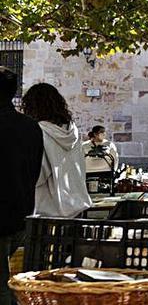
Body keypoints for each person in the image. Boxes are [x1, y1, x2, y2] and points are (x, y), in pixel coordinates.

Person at [0, 68, 43, 305]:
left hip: (4, 215)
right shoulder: (31, 127)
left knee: (2, 286)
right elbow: (34, 171)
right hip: (21, 214)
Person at [21, 83, 91, 218]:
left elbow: (37, 175)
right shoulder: (71, 131)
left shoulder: (39, 132)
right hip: (77, 206)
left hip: (49, 212)